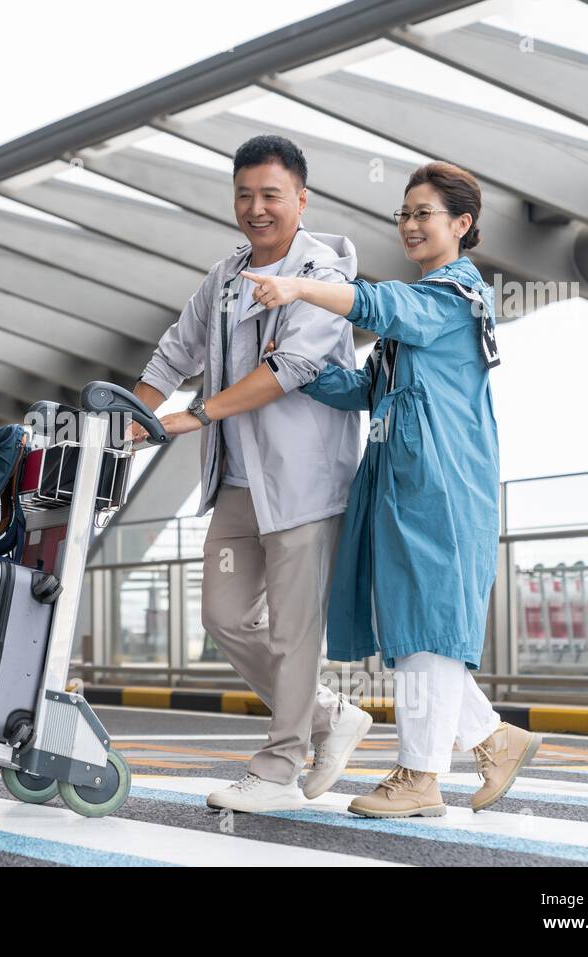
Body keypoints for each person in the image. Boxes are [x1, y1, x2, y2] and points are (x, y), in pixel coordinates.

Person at [246, 160, 541, 818]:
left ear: (462, 225)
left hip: (437, 486)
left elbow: (381, 304)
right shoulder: (422, 316)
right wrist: (298, 365)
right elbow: (363, 387)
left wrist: (298, 288)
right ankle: (493, 739)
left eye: (423, 214)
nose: (409, 225)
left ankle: (420, 775)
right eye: (404, 214)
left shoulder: (449, 298)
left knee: (425, 630)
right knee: (415, 626)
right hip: (406, 484)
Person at [127, 135, 373, 814]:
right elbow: (174, 351)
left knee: (295, 632)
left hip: (302, 486)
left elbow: (289, 369)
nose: (256, 208)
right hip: (239, 483)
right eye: (245, 195)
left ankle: (278, 767)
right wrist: (128, 420)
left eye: (271, 194)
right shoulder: (226, 275)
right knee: (224, 615)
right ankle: (329, 717)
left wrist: (196, 413)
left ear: (301, 197)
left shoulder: (324, 278)